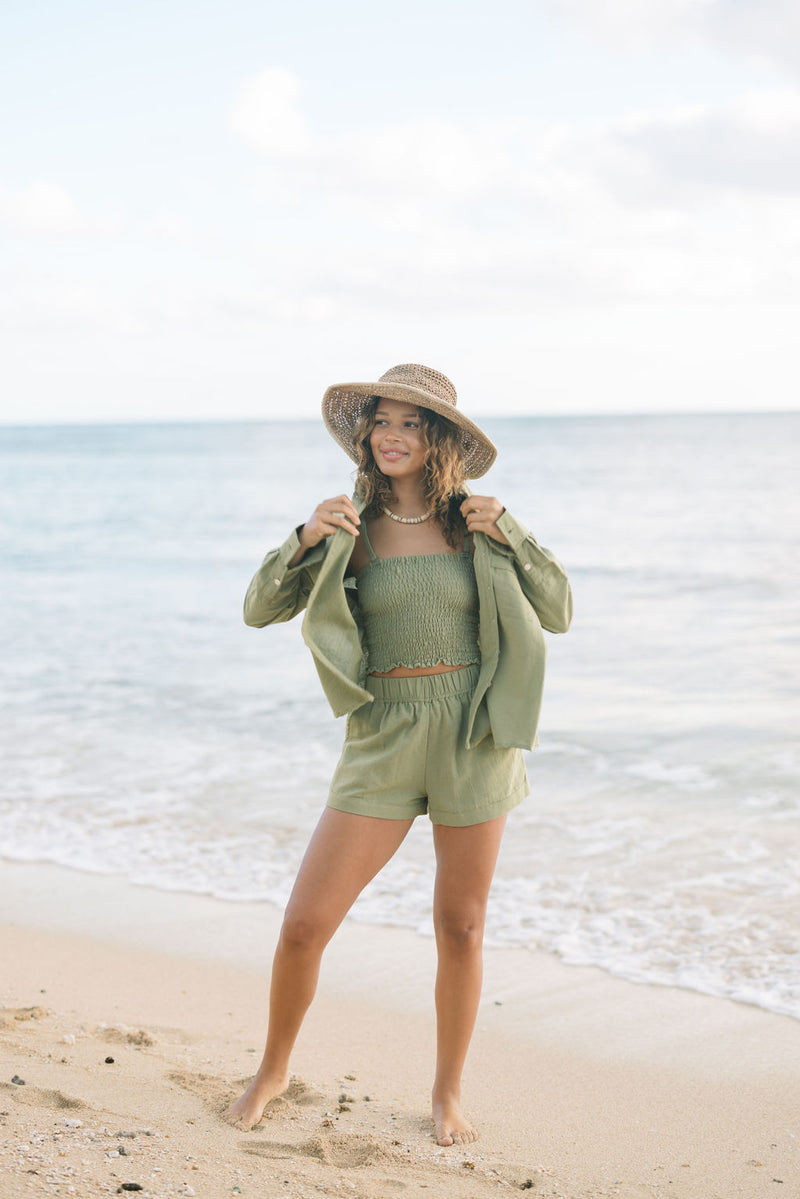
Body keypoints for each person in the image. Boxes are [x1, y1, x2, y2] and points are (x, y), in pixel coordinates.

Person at [224, 363, 572, 1145]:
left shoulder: (477, 523)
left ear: (438, 437)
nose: (391, 435)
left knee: (461, 924)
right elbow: (257, 609)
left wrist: (510, 527)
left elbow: (559, 609)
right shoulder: (347, 525)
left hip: (473, 734)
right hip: (382, 731)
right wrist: (306, 537)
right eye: (381, 421)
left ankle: (448, 1092)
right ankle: (273, 1068)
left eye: (411, 423)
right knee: (306, 922)